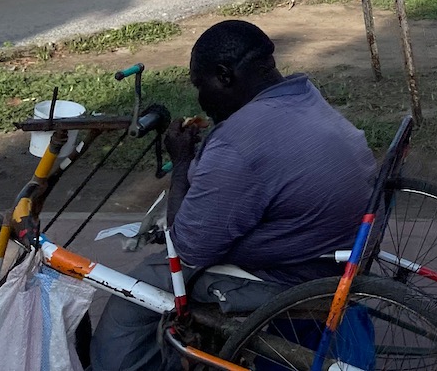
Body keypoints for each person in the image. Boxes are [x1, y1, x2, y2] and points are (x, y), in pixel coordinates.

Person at [90, 20, 376, 371]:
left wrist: (181, 164)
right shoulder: (303, 94)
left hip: (291, 277)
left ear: (225, 76)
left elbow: (187, 248)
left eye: (200, 84)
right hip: (336, 251)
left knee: (135, 289)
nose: (200, 98)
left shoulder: (238, 142)